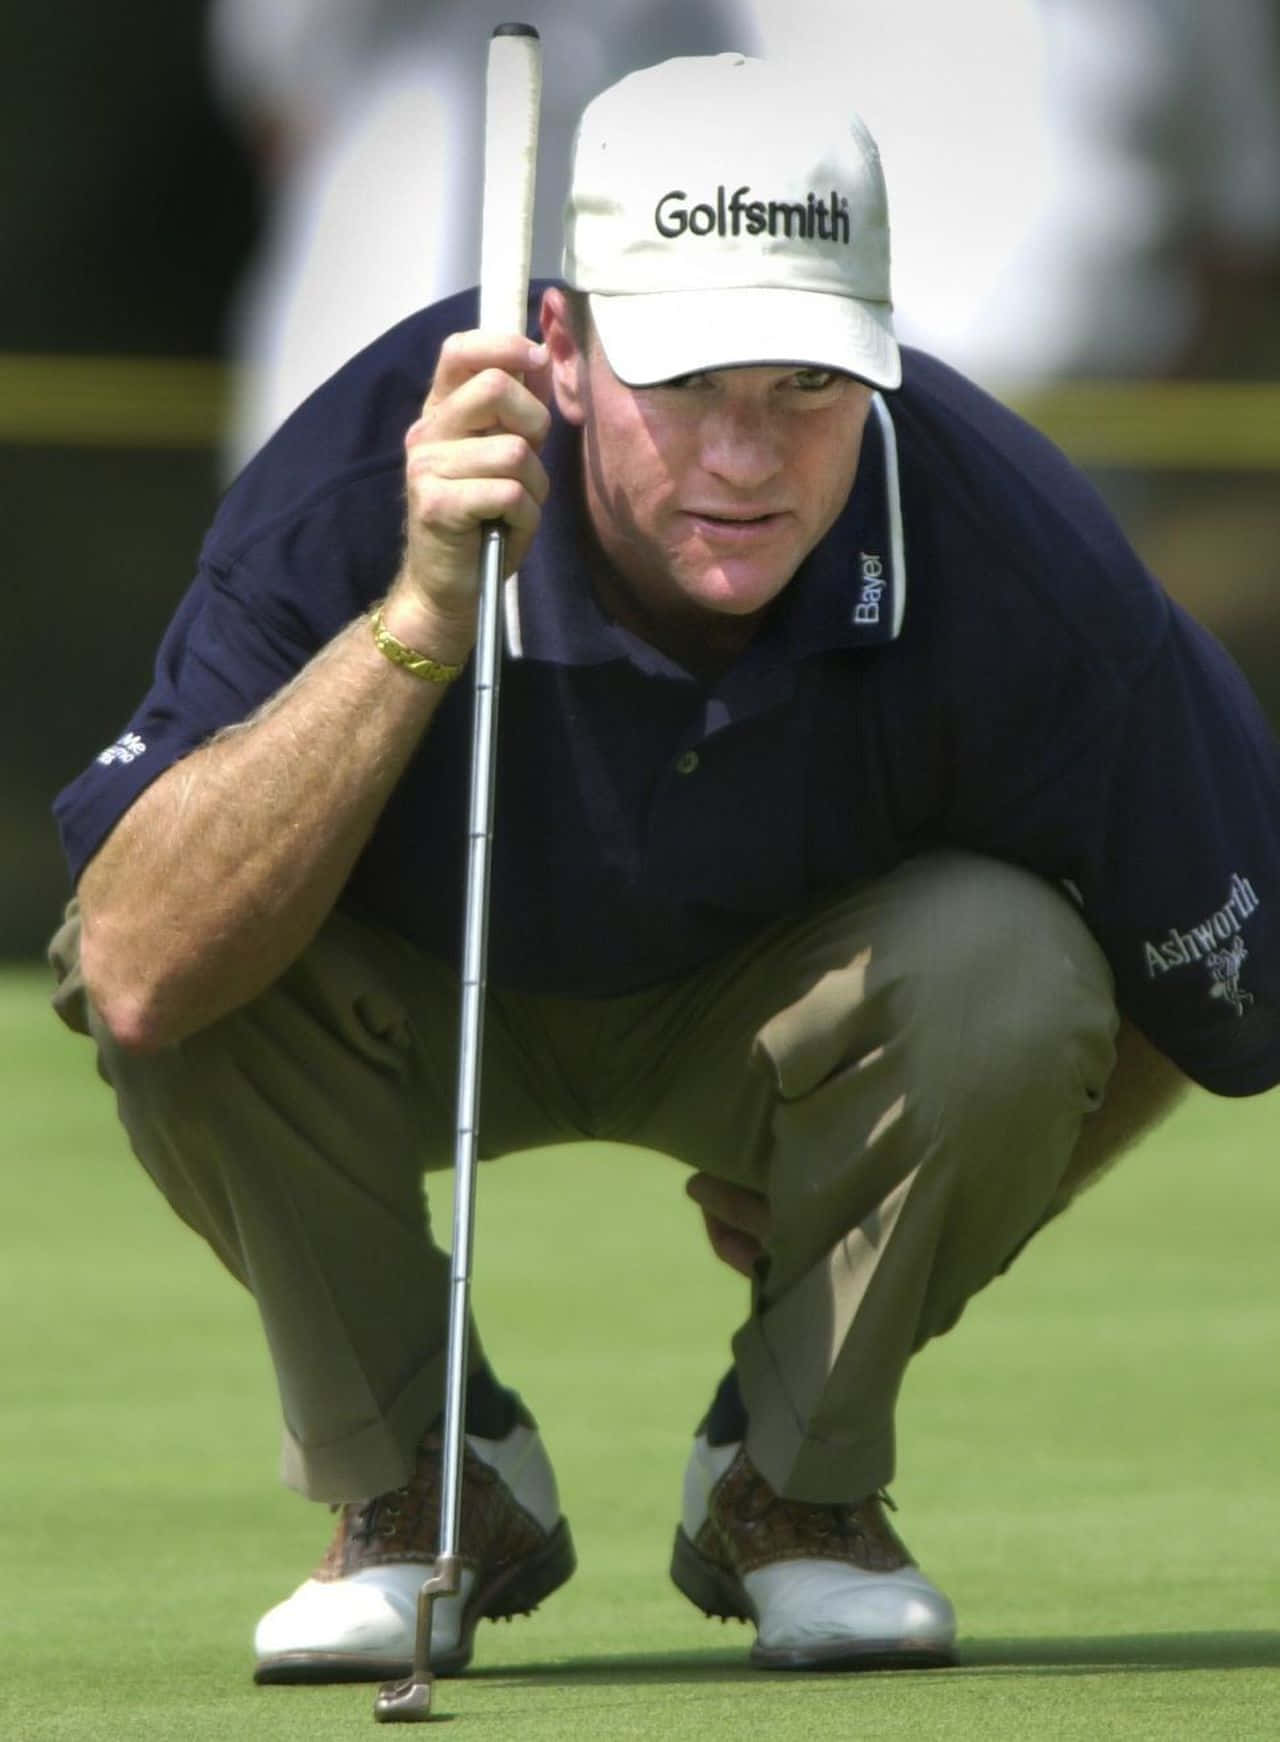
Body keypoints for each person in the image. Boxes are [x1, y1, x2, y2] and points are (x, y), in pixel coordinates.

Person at [50, 52, 1280, 1685]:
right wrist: (418, 615)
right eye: (689, 380)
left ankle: (794, 1483)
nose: (748, 457)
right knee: (200, 947)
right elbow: (133, 960)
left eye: (806, 384)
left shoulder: (1008, 548)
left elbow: (1218, 981)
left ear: (882, 357)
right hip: (404, 1005)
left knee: (1020, 965)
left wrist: (887, 1229)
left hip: (785, 1025)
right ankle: (424, 1483)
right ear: (561, 348)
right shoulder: (363, 470)